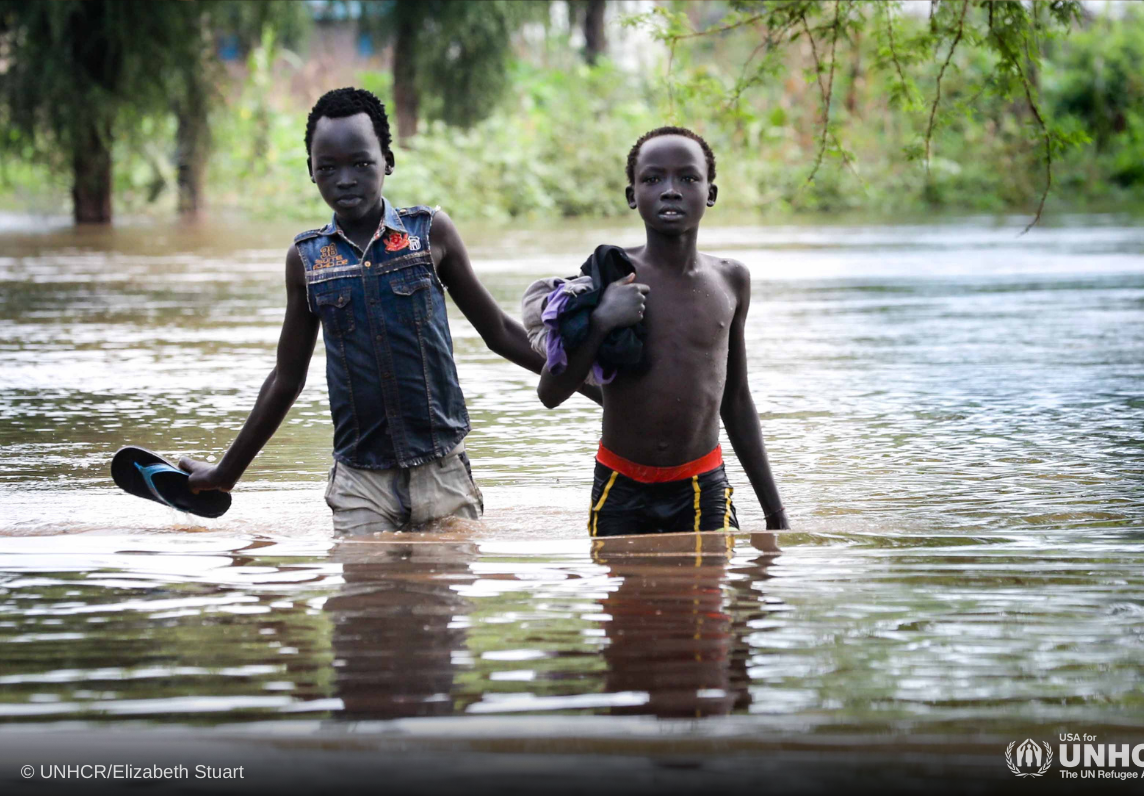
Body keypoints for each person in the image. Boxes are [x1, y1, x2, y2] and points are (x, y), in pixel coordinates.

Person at [180, 87, 595, 535]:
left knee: (441, 597)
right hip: (360, 482)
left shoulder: (429, 233)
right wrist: (226, 473)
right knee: (365, 597)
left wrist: (603, 395)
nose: (344, 179)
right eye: (328, 168)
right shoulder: (307, 260)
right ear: (310, 172)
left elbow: (498, 332)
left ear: (388, 161)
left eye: (360, 163)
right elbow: (287, 379)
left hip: (443, 472)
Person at [538, 126, 788, 535]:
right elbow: (551, 393)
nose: (670, 190)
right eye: (653, 179)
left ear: (710, 193)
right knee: (626, 597)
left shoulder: (731, 281)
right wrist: (602, 319)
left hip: (702, 485)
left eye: (688, 178)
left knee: (710, 596)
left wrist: (775, 513)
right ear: (632, 195)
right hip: (620, 487)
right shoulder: (608, 276)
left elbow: (736, 400)